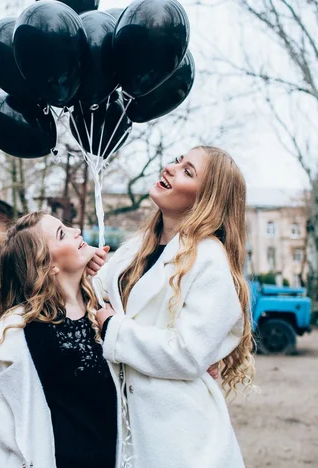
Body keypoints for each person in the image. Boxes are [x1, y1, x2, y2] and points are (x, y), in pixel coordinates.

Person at [92, 146, 255, 468]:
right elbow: (94, 303)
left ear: (206, 198)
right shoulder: (135, 249)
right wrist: (85, 269)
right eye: (178, 161)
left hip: (180, 437)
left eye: (187, 171)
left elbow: (187, 354)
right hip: (128, 426)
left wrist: (113, 329)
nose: (169, 168)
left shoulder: (210, 261)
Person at [0, 211, 119, 468]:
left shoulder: (107, 307)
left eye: (67, 225)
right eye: (62, 233)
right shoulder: (18, 332)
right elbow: (11, 432)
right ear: (47, 264)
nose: (76, 230)